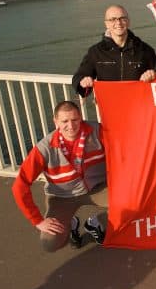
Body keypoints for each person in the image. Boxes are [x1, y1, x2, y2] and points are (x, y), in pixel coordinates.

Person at [11, 101, 108, 251]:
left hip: (97, 188)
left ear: (80, 117)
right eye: (65, 121)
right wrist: (37, 221)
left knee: (138, 201)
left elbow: (122, 150)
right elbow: (19, 186)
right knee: (50, 243)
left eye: (75, 119)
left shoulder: (97, 131)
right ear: (55, 121)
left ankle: (96, 223)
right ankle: (71, 223)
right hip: (62, 197)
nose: (71, 125)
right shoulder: (45, 148)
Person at [72, 5, 156, 97]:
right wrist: (83, 81)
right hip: (110, 106)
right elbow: (78, 76)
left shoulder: (145, 50)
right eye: (112, 19)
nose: (118, 23)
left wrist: (152, 75)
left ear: (128, 21)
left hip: (139, 105)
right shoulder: (96, 52)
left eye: (122, 18)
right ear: (106, 24)